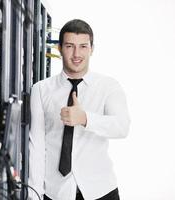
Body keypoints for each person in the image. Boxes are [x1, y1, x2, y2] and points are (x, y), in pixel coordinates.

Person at [28, 19, 131, 200]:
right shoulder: (41, 90)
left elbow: (122, 127)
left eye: (83, 46)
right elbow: (37, 146)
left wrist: (85, 118)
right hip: (56, 192)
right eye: (69, 46)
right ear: (59, 48)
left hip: (101, 191)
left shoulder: (108, 86)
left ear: (92, 48)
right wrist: (34, 194)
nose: (77, 54)